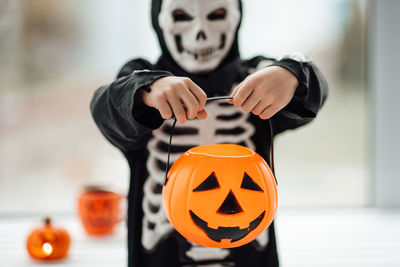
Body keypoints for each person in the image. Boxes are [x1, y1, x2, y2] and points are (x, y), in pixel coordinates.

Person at [90, 0, 328, 266]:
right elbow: (105, 106)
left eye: (216, 15)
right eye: (181, 16)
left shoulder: (258, 77)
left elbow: (314, 92)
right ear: (159, 20)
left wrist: (292, 74)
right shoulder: (141, 80)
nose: (200, 33)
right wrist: (145, 89)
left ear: (237, 18)